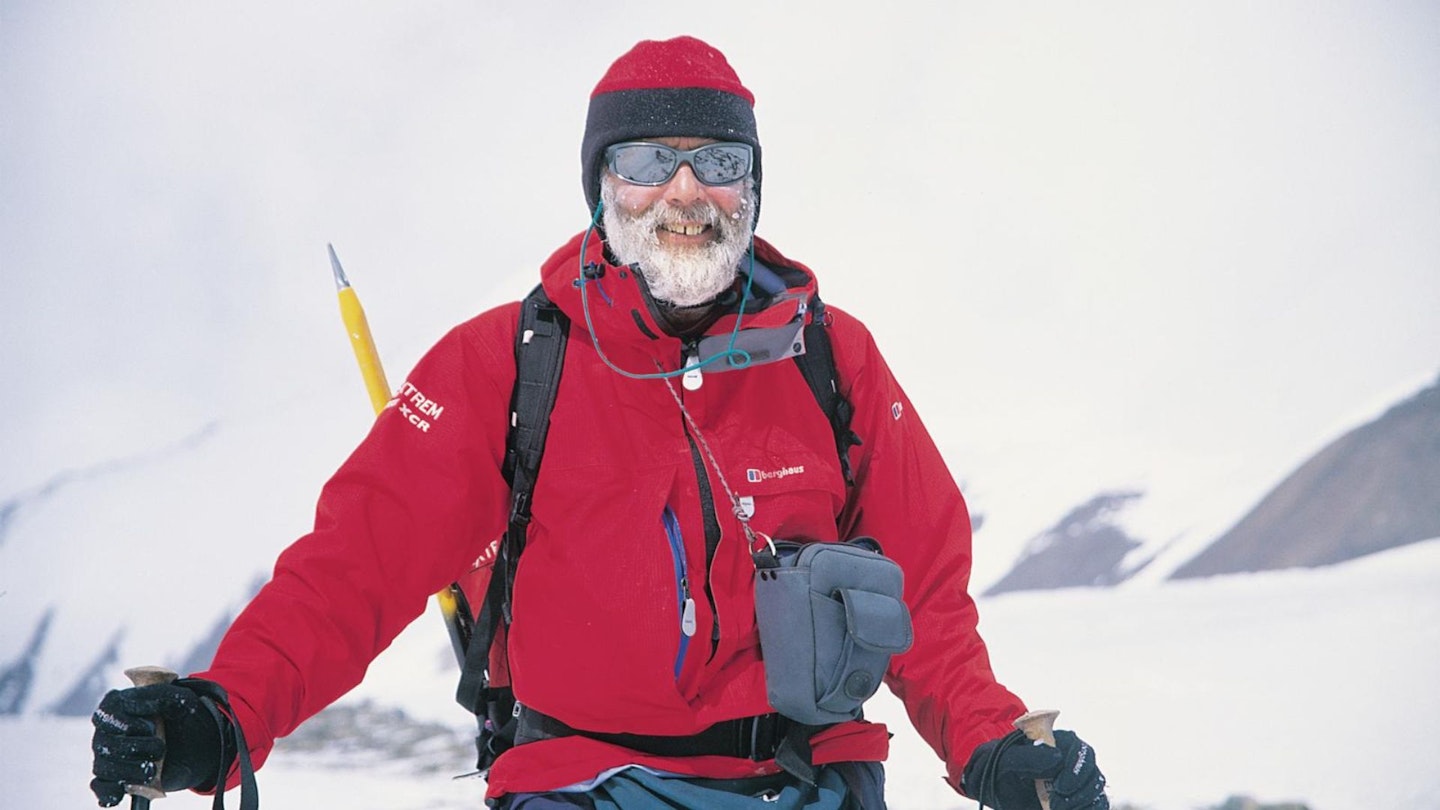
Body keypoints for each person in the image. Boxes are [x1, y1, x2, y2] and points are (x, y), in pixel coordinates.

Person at [89, 36, 1109, 810]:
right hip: (579, 782)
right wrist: (223, 713)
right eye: (647, 160)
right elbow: (356, 566)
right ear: (600, 186)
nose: (684, 193)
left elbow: (923, 597)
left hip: (814, 781)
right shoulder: (505, 364)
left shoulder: (833, 359)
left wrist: (991, 747)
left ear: (752, 185)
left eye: (715, 161)